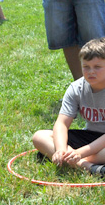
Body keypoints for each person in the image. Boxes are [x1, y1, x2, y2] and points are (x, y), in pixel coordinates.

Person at [32, 38, 105, 176]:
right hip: (89, 136)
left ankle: (74, 161)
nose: (91, 72)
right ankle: (89, 167)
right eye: (86, 67)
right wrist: (60, 149)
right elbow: (62, 124)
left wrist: (80, 152)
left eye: (97, 67)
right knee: (39, 136)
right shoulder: (76, 88)